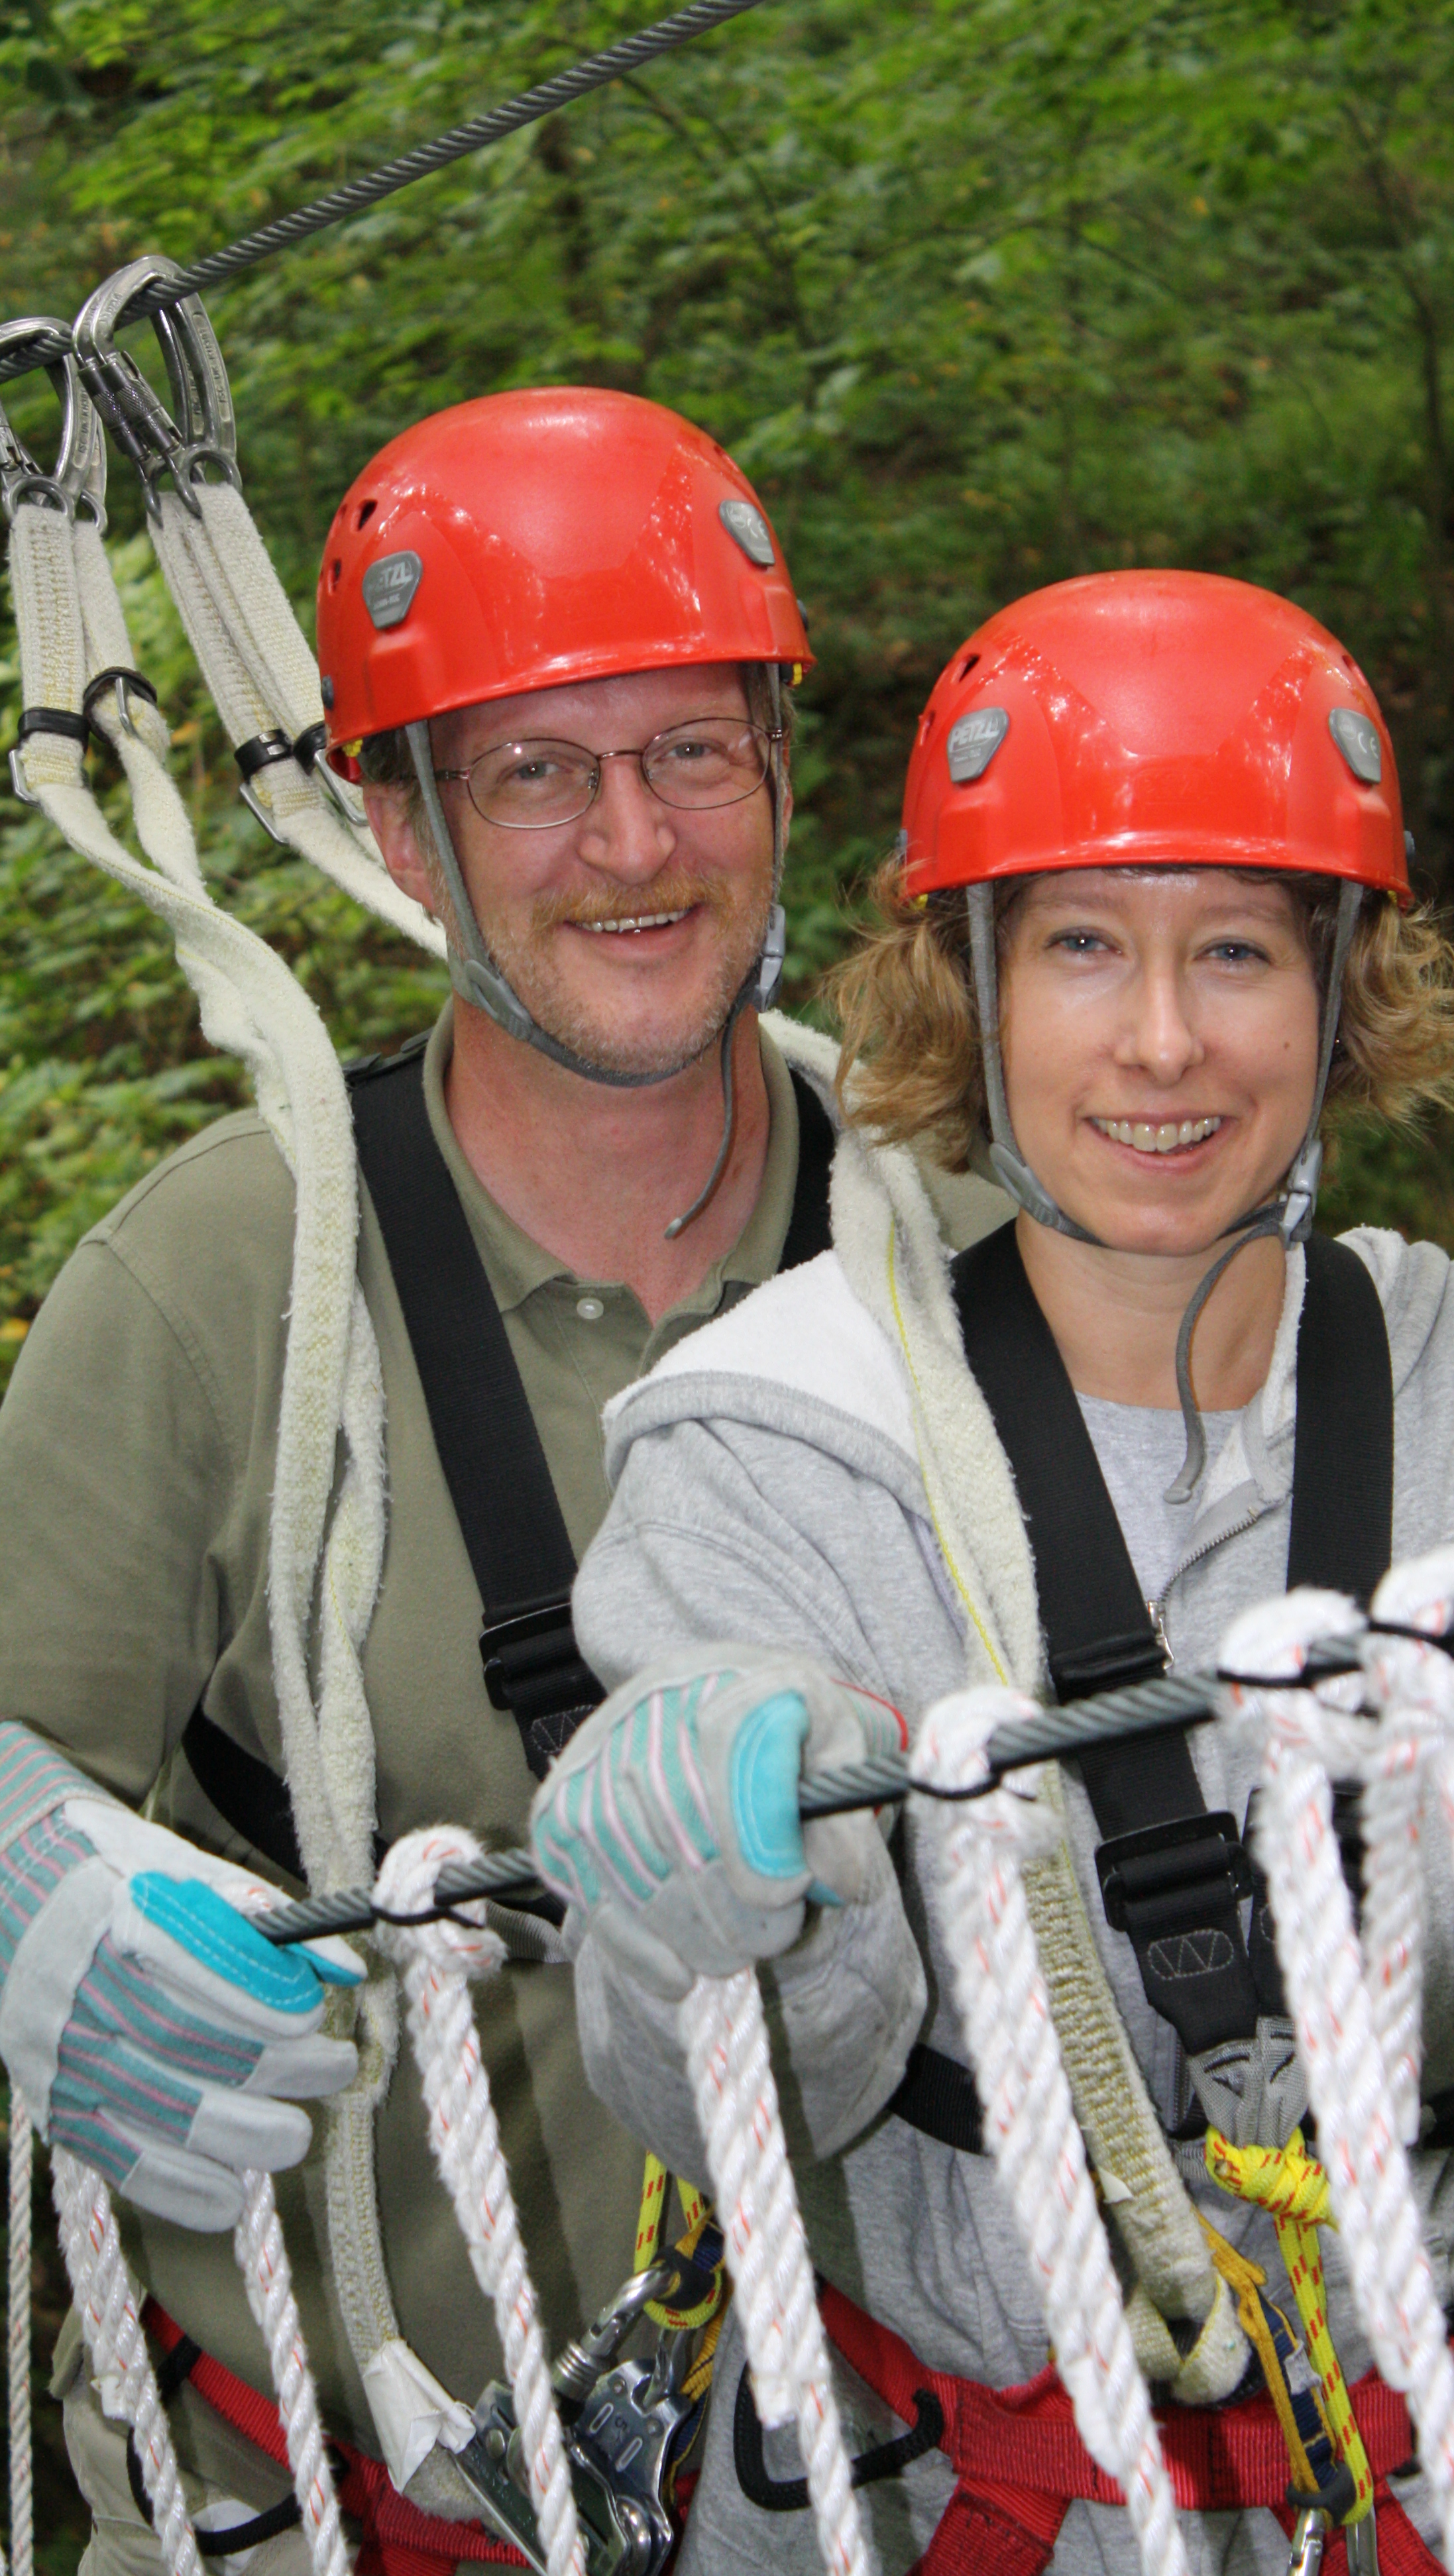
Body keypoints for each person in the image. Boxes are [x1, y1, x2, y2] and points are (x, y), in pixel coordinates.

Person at [529, 570, 1454, 2575]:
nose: (1163, 1043)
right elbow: (716, 2101)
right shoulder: (774, 1448)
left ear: (1344, 987)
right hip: (965, 2513)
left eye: (1237, 949)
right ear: (966, 984)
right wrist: (714, 1910)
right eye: (1083, 945)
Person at [0, 383, 1003, 2576]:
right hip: (338, 2493)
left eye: (688, 754)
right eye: (535, 773)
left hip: (906, 2493)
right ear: (398, 821)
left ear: (779, 771)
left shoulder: (974, 1243)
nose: (632, 846)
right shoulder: (215, 1286)